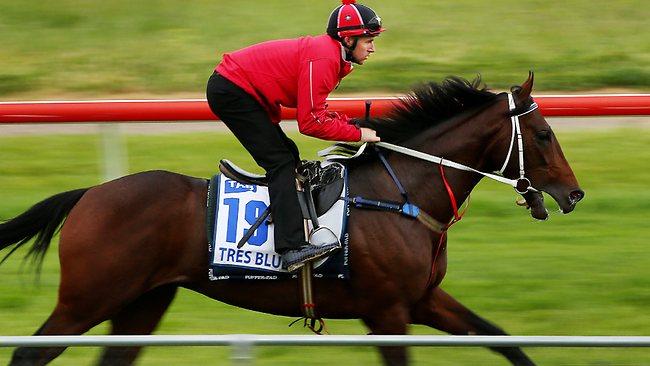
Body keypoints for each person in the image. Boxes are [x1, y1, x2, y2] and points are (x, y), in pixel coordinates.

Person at [206, 0, 383, 272]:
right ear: (348, 39)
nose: (372, 47)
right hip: (232, 90)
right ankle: (290, 249)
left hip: (240, 89)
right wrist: (357, 133)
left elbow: (317, 111)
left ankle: (282, 218)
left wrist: (351, 125)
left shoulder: (333, 55)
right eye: (368, 40)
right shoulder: (325, 58)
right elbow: (310, 123)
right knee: (281, 162)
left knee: (288, 154)